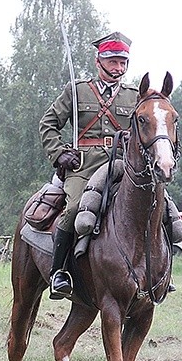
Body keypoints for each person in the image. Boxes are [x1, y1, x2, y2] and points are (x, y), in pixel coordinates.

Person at [40, 32, 139, 299]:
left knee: (155, 205)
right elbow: (47, 124)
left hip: (123, 164)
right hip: (84, 165)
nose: (118, 68)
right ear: (99, 61)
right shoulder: (77, 90)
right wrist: (59, 153)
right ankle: (58, 272)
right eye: (113, 61)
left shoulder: (134, 95)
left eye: (123, 62)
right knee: (74, 209)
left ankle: (158, 270)